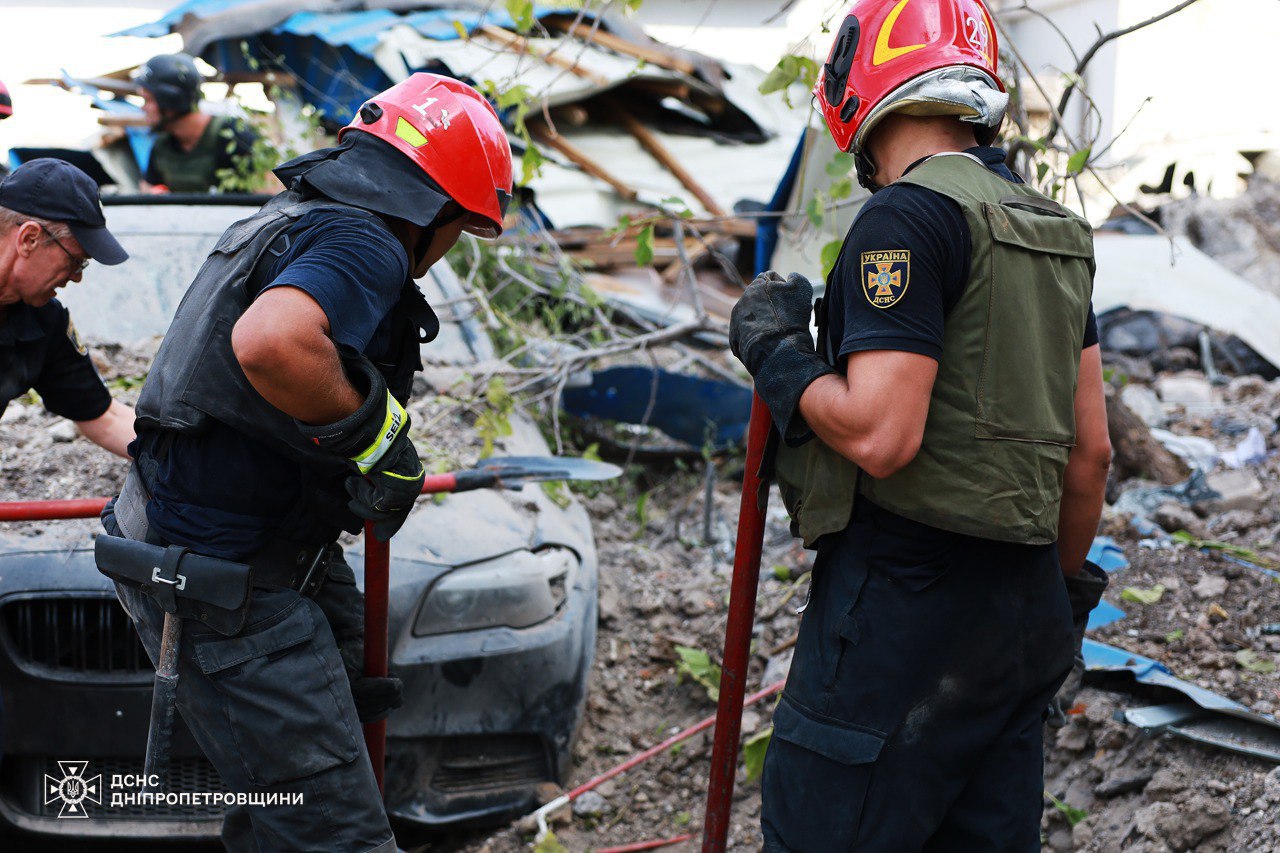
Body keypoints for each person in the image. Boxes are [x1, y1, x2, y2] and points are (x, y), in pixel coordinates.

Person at [728, 1, 1112, 850]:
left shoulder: (905, 217)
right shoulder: (1056, 232)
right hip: (1024, 613)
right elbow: (1091, 457)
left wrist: (779, 353)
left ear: (858, 82)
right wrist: (1058, 599)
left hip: (904, 610)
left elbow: (880, 434)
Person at [98, 73, 512, 851]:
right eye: (462, 226)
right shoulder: (365, 240)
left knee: (276, 816)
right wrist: (376, 439)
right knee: (340, 839)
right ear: (438, 209)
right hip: (220, 575)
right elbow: (272, 343)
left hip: (191, 545)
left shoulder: (292, 216)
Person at [0, 158, 134, 457]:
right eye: (75, 260)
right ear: (29, 239)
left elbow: (106, 418)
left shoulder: (44, 323)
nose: (77, 276)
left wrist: (189, 466)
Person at [134, 54, 259, 193]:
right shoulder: (163, 145)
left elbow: (269, 193)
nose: (143, 108)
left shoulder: (234, 136)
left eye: (148, 100)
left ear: (169, 100)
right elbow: (148, 188)